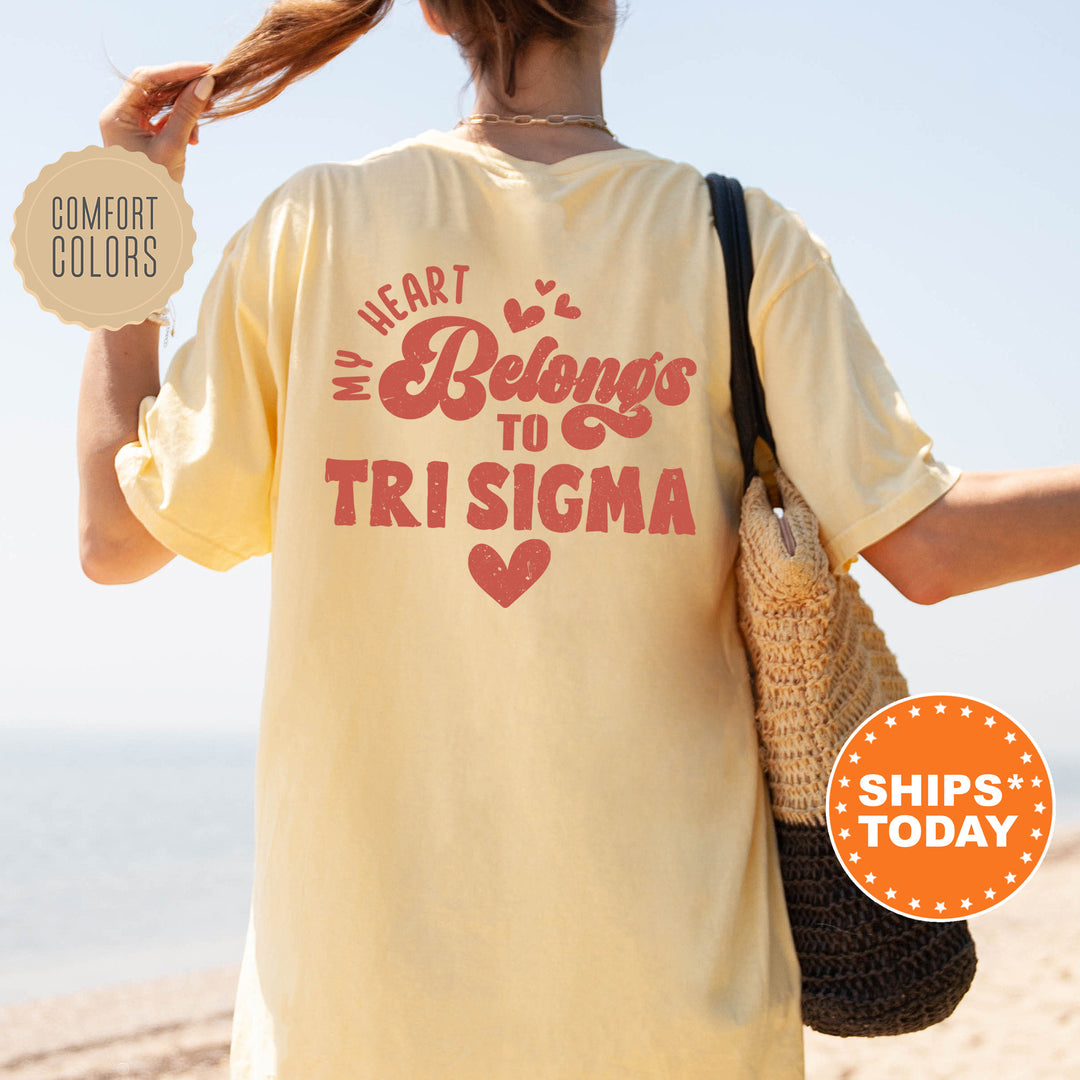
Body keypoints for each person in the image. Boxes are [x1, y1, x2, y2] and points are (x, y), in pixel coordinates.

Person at [78, 2, 1080, 1078]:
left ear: (429, 13)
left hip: (356, 1016)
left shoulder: (314, 225)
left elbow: (115, 539)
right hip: (676, 1006)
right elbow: (930, 549)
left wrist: (129, 214)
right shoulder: (737, 241)